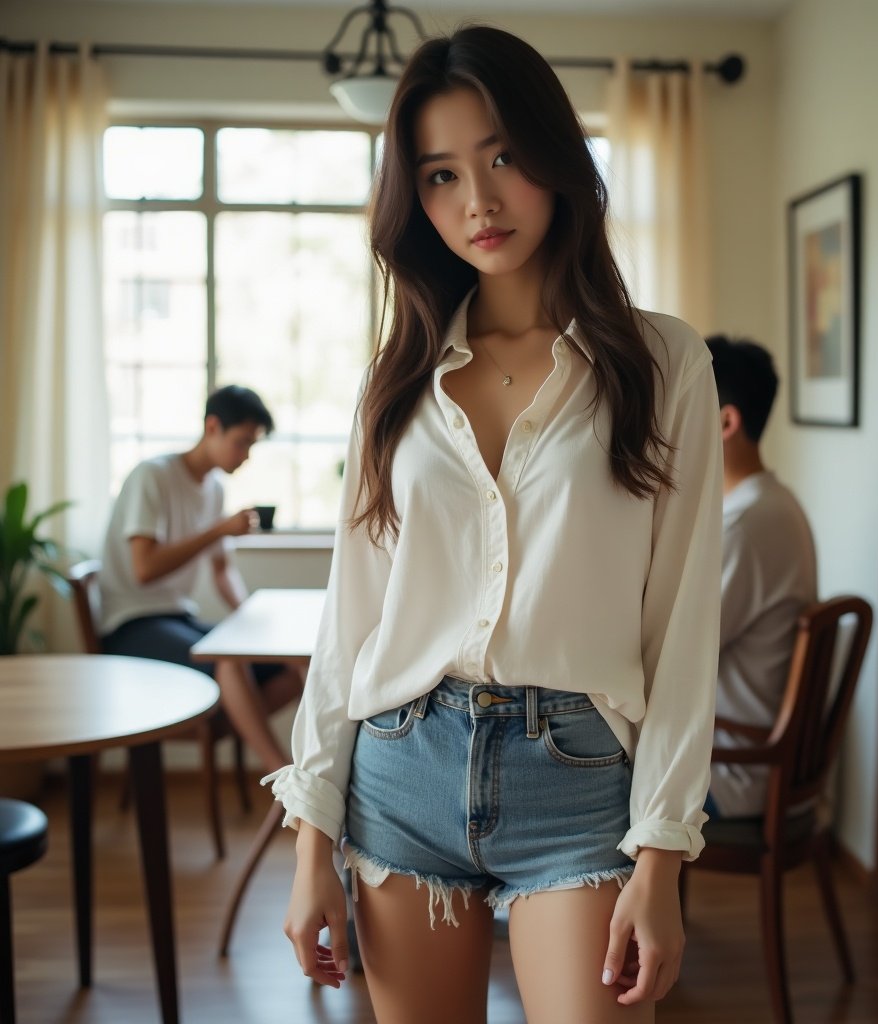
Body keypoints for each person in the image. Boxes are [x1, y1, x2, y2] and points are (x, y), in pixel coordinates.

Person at [263, 26, 722, 1023]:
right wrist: (309, 842)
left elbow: (681, 626)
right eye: (439, 175)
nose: (476, 201)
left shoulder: (661, 362)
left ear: (557, 158)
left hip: (576, 777)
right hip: (400, 770)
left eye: (502, 156)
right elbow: (352, 621)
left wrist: (662, 854)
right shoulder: (396, 383)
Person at [98, 385, 303, 772]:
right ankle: (282, 777)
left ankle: (235, 725)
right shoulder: (153, 476)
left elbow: (221, 569)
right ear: (212, 427)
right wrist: (218, 530)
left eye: (252, 446)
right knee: (230, 662)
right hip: (129, 623)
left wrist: (249, 616)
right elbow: (145, 569)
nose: (245, 456)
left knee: (292, 664)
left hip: (177, 617)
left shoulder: (213, 489)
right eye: (242, 442)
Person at [703, 335, 818, 820]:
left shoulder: (747, 525)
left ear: (727, 422)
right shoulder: (771, 503)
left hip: (735, 771)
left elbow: (678, 650)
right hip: (750, 755)